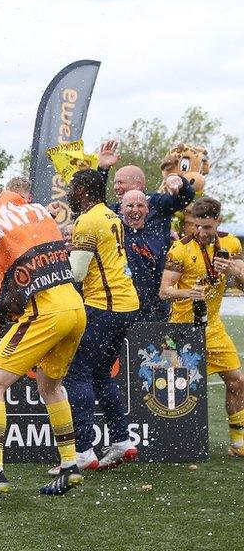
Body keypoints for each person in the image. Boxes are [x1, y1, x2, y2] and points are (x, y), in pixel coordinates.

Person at [0, 188, 86, 506]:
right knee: (50, 385)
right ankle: (69, 465)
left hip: (46, 313)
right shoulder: (38, 211)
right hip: (75, 307)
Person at [62, 169, 140, 473]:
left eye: (71, 187)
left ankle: (83, 451)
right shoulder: (109, 214)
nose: (68, 193)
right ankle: (121, 440)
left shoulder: (87, 220)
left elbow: (77, 274)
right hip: (125, 303)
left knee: (77, 375)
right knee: (101, 373)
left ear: (82, 189)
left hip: (104, 306)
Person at [160, 197, 244, 457]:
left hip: (214, 328)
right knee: (173, 394)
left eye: (207, 227)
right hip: (181, 332)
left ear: (217, 222)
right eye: (197, 226)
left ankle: (238, 443)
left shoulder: (231, 243)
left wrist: (234, 270)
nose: (201, 232)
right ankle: (172, 445)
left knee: (238, 382)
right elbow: (165, 292)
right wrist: (189, 292)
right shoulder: (180, 249)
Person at [120, 190, 170, 321]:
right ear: (121, 209)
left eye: (140, 205)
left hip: (151, 308)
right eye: (130, 206)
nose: (135, 210)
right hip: (122, 307)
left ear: (147, 209)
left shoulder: (156, 236)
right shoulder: (115, 231)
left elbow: (160, 274)